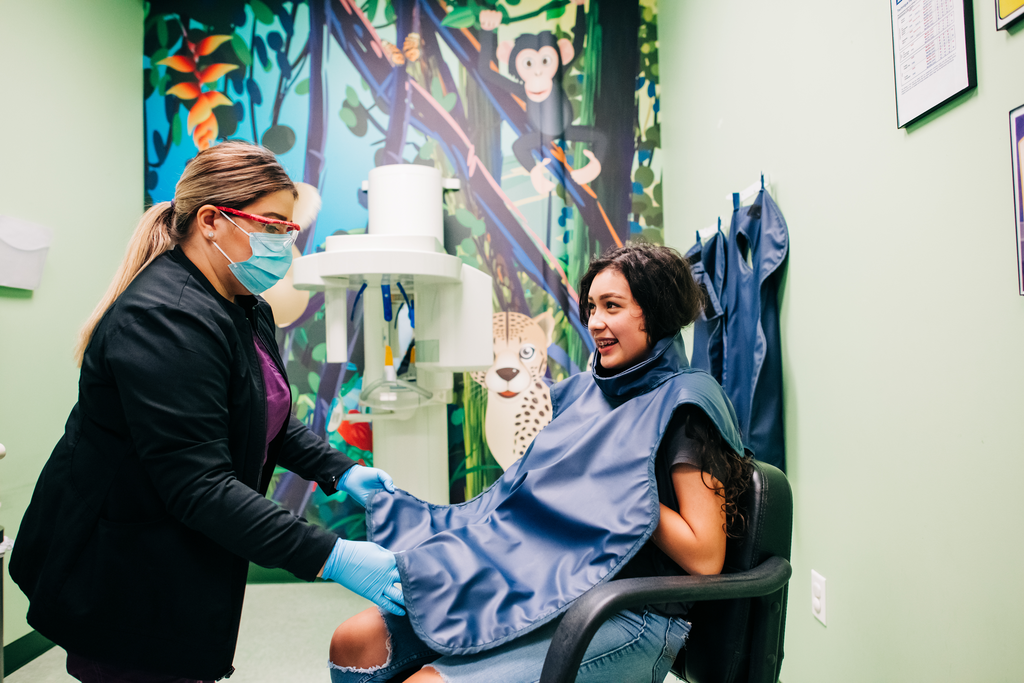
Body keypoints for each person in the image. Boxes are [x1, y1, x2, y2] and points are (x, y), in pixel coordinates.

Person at [9, 141, 405, 683]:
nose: (285, 243)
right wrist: (331, 555)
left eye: (289, 229)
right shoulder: (163, 320)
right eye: (273, 226)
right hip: (119, 567)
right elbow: (199, 486)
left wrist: (340, 470)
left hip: (178, 552)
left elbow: (261, 412)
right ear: (212, 221)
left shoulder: (244, 304)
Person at [327, 242, 754, 683]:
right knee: (354, 640)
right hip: (552, 575)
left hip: (628, 611)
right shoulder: (589, 392)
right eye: (592, 307)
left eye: (612, 306)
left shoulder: (686, 404)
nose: (595, 322)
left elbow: (705, 557)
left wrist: (611, 484)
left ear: (658, 311)